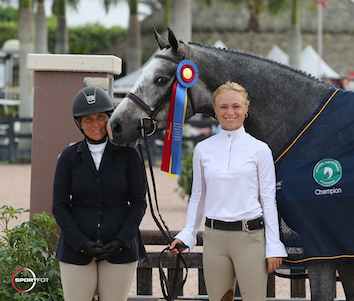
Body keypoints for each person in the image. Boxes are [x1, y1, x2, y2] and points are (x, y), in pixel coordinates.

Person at [169, 81, 287, 301]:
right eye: (223, 107)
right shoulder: (203, 149)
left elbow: (269, 200)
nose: (229, 112)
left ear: (246, 109)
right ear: (215, 110)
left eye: (236, 106)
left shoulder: (260, 149)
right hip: (214, 240)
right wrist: (188, 233)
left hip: (250, 239)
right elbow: (198, 196)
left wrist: (273, 245)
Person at [52, 86, 147, 301]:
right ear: (79, 123)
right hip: (76, 250)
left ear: (109, 118)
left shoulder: (128, 156)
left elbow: (139, 202)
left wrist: (121, 240)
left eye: (100, 117)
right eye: (88, 120)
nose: (96, 124)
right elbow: (59, 205)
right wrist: (80, 243)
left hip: (120, 249)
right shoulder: (68, 157)